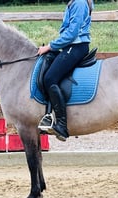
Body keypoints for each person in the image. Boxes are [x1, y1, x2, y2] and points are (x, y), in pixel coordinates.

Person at [38, 0, 93, 142]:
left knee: (50, 78)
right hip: (72, 45)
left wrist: (50, 46)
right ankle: (48, 114)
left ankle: (62, 125)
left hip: (76, 46)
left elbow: (72, 33)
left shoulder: (79, 2)